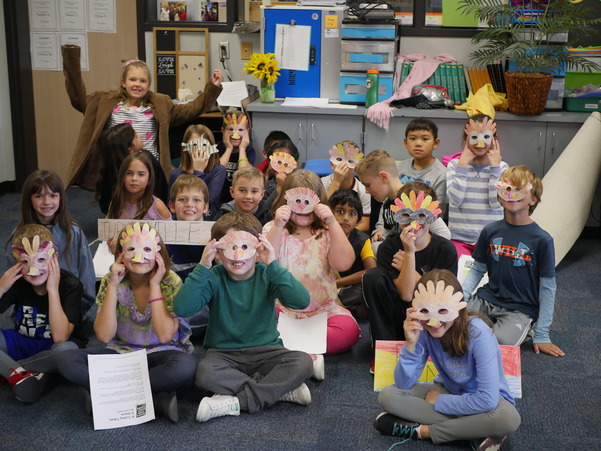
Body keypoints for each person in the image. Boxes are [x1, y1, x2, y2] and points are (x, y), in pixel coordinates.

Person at [173, 213, 314, 422]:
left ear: (257, 248)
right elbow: (183, 308)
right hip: (223, 355)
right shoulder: (213, 276)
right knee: (204, 373)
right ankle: (279, 391)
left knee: (303, 362)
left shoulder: (267, 273)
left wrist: (273, 265)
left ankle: (235, 402)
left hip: (267, 351)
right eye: (231, 248)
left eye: (245, 247)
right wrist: (203, 267)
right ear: (218, 252)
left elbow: (301, 301)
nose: (238, 255)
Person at [55, 222, 196, 422]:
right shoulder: (110, 280)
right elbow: (104, 335)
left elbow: (165, 336)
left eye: (147, 249)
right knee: (66, 360)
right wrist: (113, 284)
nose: (140, 256)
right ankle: (156, 397)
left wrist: (155, 285)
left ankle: (106, 395)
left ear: (158, 253)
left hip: (161, 354)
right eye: (132, 249)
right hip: (121, 355)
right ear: (121, 254)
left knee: (185, 367)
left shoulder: (170, 281)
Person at [375, 270, 521, 450]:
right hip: (450, 391)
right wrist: (411, 344)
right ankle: (475, 431)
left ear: (458, 306)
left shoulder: (478, 333)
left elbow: (488, 400)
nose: (434, 321)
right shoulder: (423, 327)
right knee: (388, 395)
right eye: (425, 311)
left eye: (443, 310)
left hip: (488, 402)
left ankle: (423, 431)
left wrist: (441, 402)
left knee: (508, 418)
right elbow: (403, 383)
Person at [61, 44, 222, 192]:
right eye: (132, 79)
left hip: (148, 169)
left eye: (143, 81)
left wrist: (212, 88)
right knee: (115, 210)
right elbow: (78, 99)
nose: (137, 84)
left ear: (149, 84)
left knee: (147, 211)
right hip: (116, 170)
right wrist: (71, 58)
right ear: (123, 82)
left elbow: (191, 110)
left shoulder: (160, 104)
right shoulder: (104, 101)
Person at [462, 165, 565, 357]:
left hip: (520, 308)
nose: (512, 194)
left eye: (519, 190)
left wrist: (542, 334)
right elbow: (477, 269)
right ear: (500, 194)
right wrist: (461, 298)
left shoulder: (542, 240)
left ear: (533, 199)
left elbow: (548, 288)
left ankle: (528, 330)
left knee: (497, 343)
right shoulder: (490, 231)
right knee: (456, 329)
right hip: (487, 298)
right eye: (508, 189)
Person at [265, 170, 360, 366]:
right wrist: (278, 225)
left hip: (322, 312)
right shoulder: (273, 228)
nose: (302, 208)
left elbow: (343, 264)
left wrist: (332, 222)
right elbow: (263, 263)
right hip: (280, 310)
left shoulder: (327, 232)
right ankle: (309, 353)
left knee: (348, 331)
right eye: (296, 202)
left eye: (308, 202)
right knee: (256, 321)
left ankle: (290, 349)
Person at [362, 182, 457, 371]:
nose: (414, 223)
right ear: (397, 215)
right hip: (396, 318)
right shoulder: (389, 247)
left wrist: (411, 268)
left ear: (433, 217)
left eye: (422, 215)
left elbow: (440, 297)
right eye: (406, 215)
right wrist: (409, 252)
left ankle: (429, 350)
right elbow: (405, 295)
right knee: (373, 276)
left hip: (431, 318)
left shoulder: (445, 249)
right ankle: (385, 351)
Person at [0, 224, 86, 403]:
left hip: (54, 347)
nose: (33, 269)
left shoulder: (70, 285)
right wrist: (1, 288)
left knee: (66, 353)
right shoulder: (16, 282)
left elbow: (61, 337)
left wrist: (53, 290)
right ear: (17, 261)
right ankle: (33, 375)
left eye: (41, 260)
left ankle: (11, 370)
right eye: (25, 262)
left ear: (54, 258)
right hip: (22, 341)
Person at [5, 170, 95, 314]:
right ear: (29, 199)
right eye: (39, 196)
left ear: (61, 198)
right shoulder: (18, 236)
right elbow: (12, 279)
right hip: (32, 311)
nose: (47, 202)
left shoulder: (73, 233)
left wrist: (78, 311)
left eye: (53, 195)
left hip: (68, 309)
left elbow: (87, 275)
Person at [356, 150, 450, 248]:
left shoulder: (414, 200)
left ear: (383, 177)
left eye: (367, 185)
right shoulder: (387, 203)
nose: (366, 191)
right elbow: (389, 231)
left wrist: (416, 253)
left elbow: (444, 234)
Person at [446, 114, 509, 257]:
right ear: (466, 138)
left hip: (492, 238)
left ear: (494, 139)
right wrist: (462, 165)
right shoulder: (454, 165)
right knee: (459, 275)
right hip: (459, 238)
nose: (480, 143)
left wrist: (494, 168)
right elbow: (455, 200)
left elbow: (496, 203)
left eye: (486, 137)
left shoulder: (503, 168)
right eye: (474, 137)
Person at [167, 175, 210, 336]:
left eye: (197, 200)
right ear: (172, 206)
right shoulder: (163, 236)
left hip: (205, 304)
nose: (189, 204)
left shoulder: (215, 234)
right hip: (174, 303)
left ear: (206, 207)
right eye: (183, 199)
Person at [97, 123, 168, 213]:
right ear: (130, 149)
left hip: (150, 212)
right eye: (135, 136)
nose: (140, 135)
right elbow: (107, 205)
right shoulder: (112, 171)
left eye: (141, 174)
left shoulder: (147, 159)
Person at [328, 189, 376, 319]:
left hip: (347, 289)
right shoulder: (320, 236)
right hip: (322, 285)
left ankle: (338, 306)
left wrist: (336, 283)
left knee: (370, 284)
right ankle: (347, 309)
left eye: (352, 214)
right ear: (329, 213)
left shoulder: (362, 240)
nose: (345, 218)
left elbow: (370, 271)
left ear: (359, 220)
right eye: (340, 212)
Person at [168, 124, 226, 220]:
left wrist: (198, 172)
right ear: (186, 148)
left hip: (208, 223)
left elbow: (207, 200)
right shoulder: (176, 174)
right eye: (194, 145)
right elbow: (171, 206)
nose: (199, 150)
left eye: (204, 145)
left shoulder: (218, 170)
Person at [321, 140, 371, 233]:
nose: (344, 164)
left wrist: (343, 233)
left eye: (350, 160)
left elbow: (364, 224)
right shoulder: (322, 183)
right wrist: (336, 182)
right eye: (339, 159)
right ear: (331, 164)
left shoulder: (363, 190)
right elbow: (320, 214)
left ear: (357, 167)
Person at [397, 118, 447, 207]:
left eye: (425, 139)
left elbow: (436, 212)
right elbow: (388, 202)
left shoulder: (441, 175)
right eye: (412, 138)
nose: (418, 143)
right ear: (406, 142)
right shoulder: (399, 168)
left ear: (436, 143)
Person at [106, 152, 172, 221]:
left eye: (141, 174)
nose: (134, 178)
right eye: (129, 173)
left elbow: (171, 230)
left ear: (149, 179)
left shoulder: (158, 206)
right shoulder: (116, 203)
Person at [217, 110, 256, 205]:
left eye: (240, 130)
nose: (235, 134)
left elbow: (245, 174)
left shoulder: (249, 151)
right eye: (230, 129)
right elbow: (216, 173)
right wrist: (228, 149)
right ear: (223, 131)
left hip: (239, 201)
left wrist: (242, 148)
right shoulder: (216, 149)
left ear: (247, 132)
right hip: (218, 200)